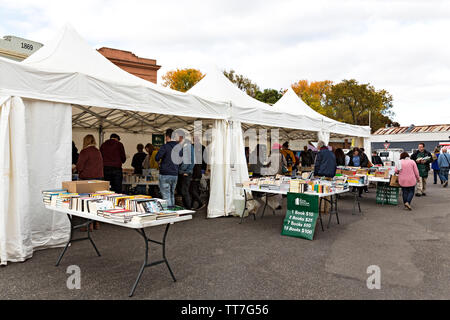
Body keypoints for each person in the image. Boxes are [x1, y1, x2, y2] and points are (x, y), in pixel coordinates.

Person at [76, 134, 104, 230]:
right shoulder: (98, 152)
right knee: (96, 201)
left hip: (86, 179)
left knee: (86, 202)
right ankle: (96, 223)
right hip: (98, 179)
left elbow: (80, 166)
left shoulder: (84, 152)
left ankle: (88, 224)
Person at [155, 129, 181, 208]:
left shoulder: (165, 146)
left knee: (166, 195)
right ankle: (173, 211)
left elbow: (157, 157)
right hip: (175, 174)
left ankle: (169, 213)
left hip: (165, 173)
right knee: (172, 194)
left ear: (167, 137)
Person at [178, 135, 195, 209]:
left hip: (186, 172)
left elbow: (187, 160)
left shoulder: (186, 146)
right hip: (187, 171)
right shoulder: (187, 145)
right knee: (184, 191)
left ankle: (188, 208)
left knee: (184, 191)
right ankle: (187, 207)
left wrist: (182, 171)